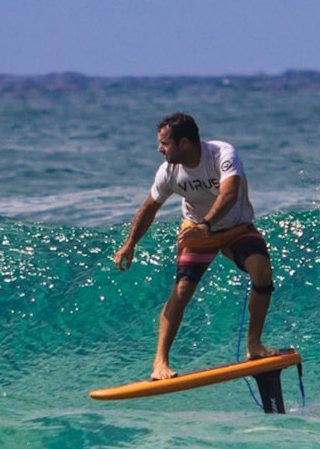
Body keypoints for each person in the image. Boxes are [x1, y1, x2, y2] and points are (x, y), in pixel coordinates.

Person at [114, 112, 276, 380]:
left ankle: (254, 345)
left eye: (165, 143)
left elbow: (230, 193)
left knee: (262, 271)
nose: (159, 149)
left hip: (235, 228)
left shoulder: (222, 154)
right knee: (182, 290)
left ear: (185, 143)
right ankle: (160, 363)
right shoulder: (168, 172)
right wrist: (130, 243)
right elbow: (149, 207)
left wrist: (207, 224)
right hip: (196, 232)